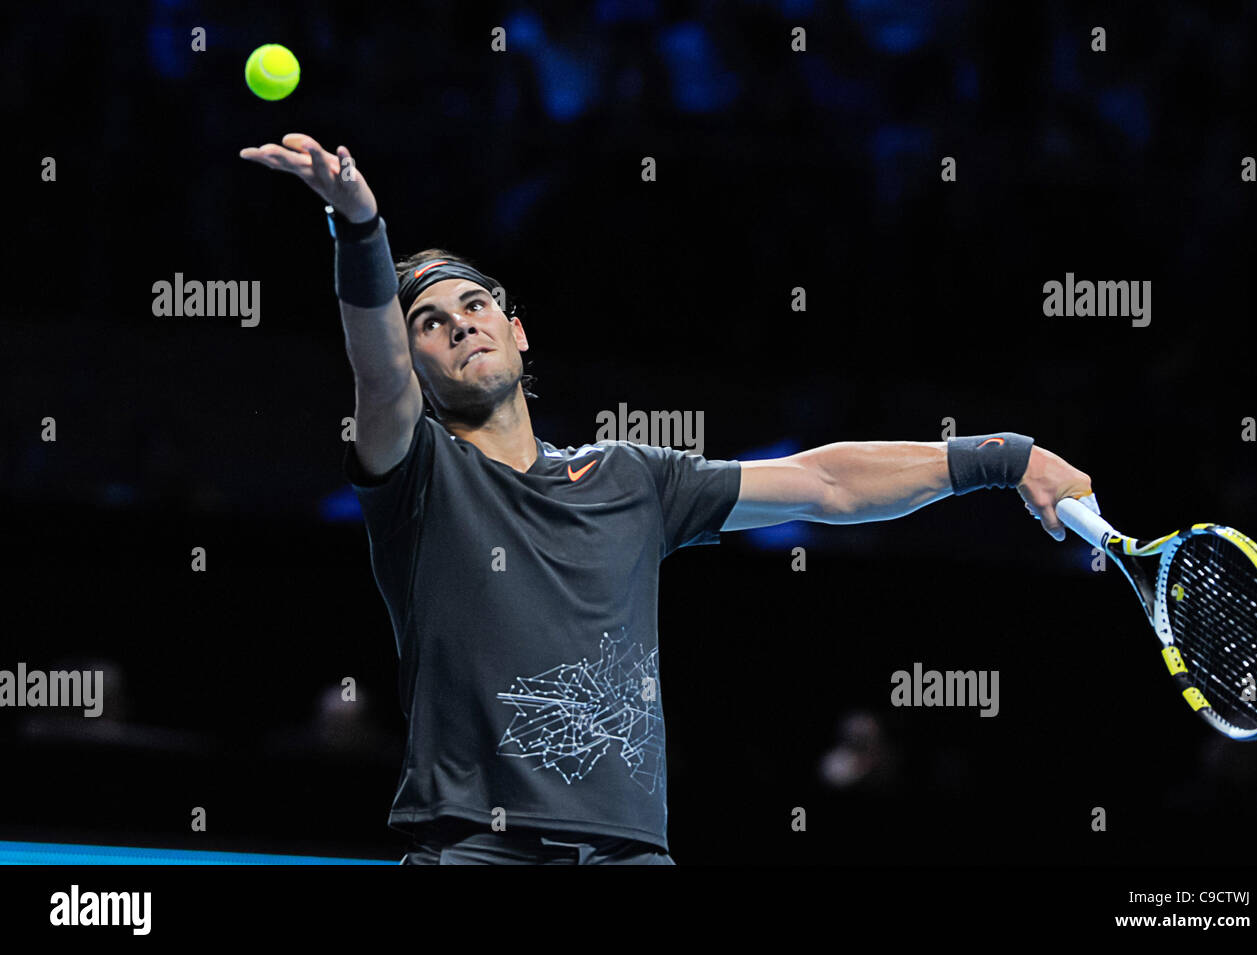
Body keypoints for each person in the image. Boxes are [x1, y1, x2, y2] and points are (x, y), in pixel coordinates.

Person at [239, 134, 1093, 865]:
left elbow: (828, 483)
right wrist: (359, 226)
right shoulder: (416, 476)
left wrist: (1003, 457)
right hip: (473, 846)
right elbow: (378, 376)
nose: (460, 324)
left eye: (475, 304)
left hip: (628, 852)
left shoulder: (633, 478)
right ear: (419, 359)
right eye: (430, 321)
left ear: (516, 328)